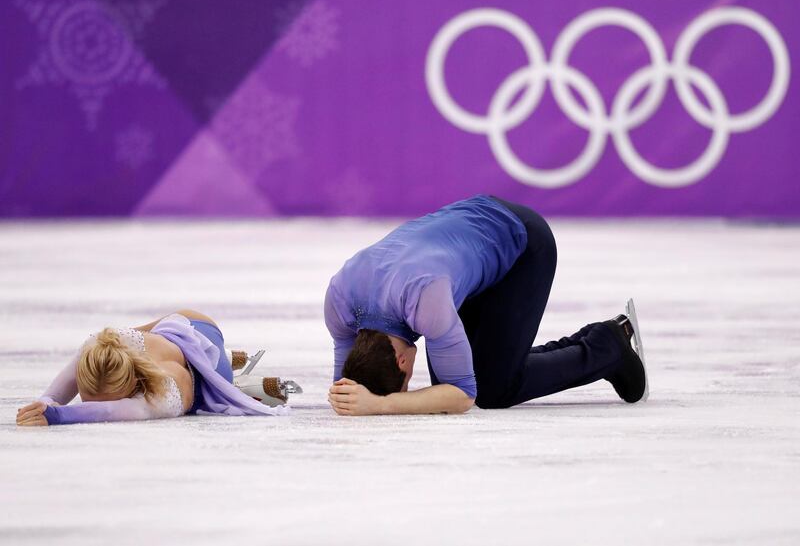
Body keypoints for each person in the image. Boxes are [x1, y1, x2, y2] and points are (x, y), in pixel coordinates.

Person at [325, 195, 648, 416]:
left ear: (401, 362)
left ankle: (608, 347)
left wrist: (384, 405)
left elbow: (464, 396)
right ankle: (598, 342)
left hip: (522, 245)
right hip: (467, 234)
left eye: (406, 382)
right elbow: (344, 384)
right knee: (457, 382)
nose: (409, 383)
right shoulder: (339, 298)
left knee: (492, 389)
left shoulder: (424, 300)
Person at [16, 310, 297, 426]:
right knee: (108, 334)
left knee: (220, 391)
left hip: (198, 327)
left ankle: (222, 359)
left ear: (135, 384)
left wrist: (56, 415)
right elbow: (55, 392)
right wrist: (43, 403)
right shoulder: (99, 348)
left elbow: (110, 411)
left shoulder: (165, 390)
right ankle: (222, 354)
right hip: (178, 324)